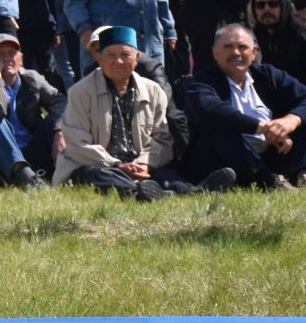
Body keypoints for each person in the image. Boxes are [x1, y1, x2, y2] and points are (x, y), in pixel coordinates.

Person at [55, 25, 222, 198]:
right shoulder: (80, 92)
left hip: (140, 164)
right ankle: (139, 192)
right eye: (110, 55)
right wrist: (118, 165)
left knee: (166, 176)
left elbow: (162, 138)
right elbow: (78, 144)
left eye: (125, 55)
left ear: (136, 58)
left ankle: (193, 191)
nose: (118, 61)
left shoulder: (153, 91)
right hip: (99, 165)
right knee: (96, 176)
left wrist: (144, 164)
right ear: (100, 58)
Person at [179, 22, 306, 190]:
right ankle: (268, 180)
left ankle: (300, 175)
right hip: (226, 159)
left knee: (301, 119)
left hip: (273, 151)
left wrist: (290, 121)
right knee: (220, 128)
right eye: (228, 47)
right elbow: (210, 109)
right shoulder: (202, 81)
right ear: (215, 53)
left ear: (253, 53)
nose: (236, 52)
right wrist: (262, 128)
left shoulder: (268, 75)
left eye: (242, 47)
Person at [0, 34, 65, 189]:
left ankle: (67, 168)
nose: (7, 58)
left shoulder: (31, 78)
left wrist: (58, 132)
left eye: (12, 53)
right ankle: (26, 177)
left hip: (30, 151)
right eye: (0, 54)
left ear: (20, 58)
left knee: (54, 120)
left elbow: (60, 101)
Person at [252, 0, 306, 78]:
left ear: (284, 6)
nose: (267, 9)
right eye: (260, 5)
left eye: (273, 4)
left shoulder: (300, 37)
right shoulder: (252, 37)